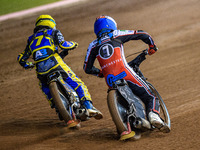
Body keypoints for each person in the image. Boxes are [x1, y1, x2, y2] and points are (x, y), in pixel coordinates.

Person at [83, 15, 169, 135]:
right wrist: (152, 46)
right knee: (150, 96)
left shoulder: (93, 45)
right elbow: (142, 34)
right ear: (111, 25)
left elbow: (87, 68)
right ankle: (154, 115)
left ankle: (126, 125)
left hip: (110, 79)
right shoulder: (116, 34)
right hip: (125, 72)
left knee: (122, 100)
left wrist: (100, 73)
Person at [17, 15, 103, 126]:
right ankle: (88, 106)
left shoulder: (31, 39)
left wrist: (28, 65)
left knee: (45, 88)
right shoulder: (53, 32)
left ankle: (58, 109)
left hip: (41, 70)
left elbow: (21, 58)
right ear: (51, 23)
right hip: (55, 64)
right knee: (77, 83)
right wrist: (73, 44)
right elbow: (64, 44)